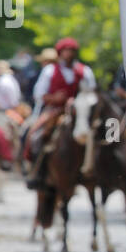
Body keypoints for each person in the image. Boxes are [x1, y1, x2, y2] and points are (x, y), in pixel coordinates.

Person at [24, 37, 96, 189]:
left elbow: (92, 93)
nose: (68, 54)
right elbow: (38, 94)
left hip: (80, 111)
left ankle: (100, 169)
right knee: (35, 134)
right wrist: (54, 98)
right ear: (60, 53)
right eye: (65, 51)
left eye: (71, 51)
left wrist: (78, 99)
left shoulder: (84, 71)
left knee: (106, 133)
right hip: (55, 110)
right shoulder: (50, 70)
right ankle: (37, 171)